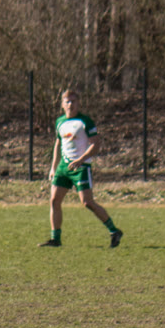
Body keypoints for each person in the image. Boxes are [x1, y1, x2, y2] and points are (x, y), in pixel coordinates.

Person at [42, 89, 124, 249]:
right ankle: (55, 239)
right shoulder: (60, 122)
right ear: (62, 104)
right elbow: (58, 144)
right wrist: (53, 168)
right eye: (67, 101)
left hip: (81, 167)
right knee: (54, 200)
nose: (70, 104)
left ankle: (114, 231)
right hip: (63, 167)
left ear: (79, 103)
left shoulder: (85, 121)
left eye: (73, 101)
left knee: (87, 202)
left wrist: (81, 160)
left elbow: (96, 144)